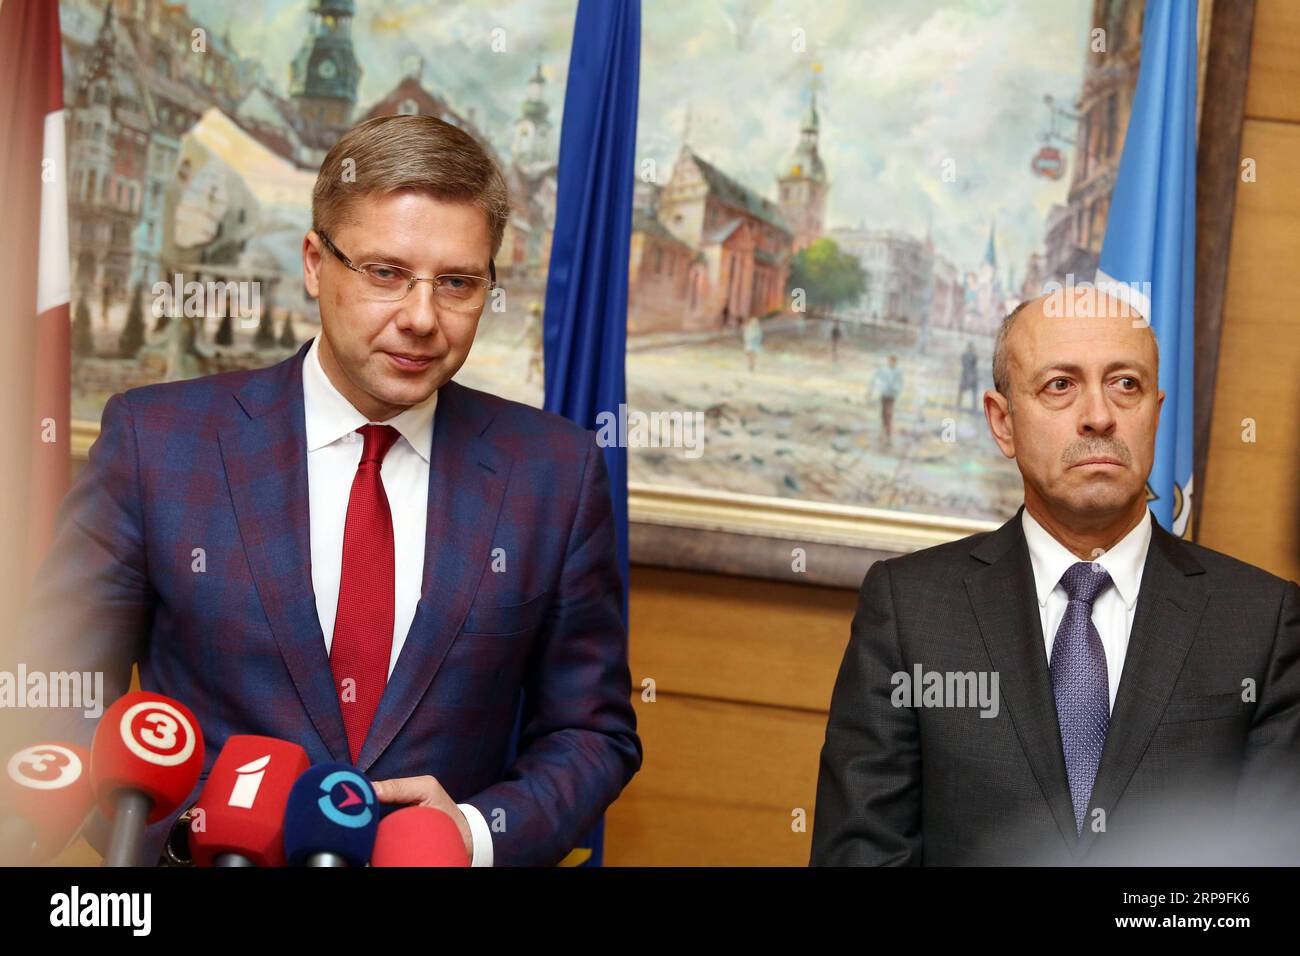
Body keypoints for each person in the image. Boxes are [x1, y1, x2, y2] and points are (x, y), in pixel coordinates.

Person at [8, 115, 642, 867]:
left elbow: (590, 732)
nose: (420, 317)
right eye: (385, 273)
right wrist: (180, 834)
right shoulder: (157, 443)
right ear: (316, 263)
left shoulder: (555, 474)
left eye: (457, 284)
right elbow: (53, 692)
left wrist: (470, 834)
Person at [812, 290, 1300, 865]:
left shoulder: (1263, 621)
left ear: (1156, 414)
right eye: (1060, 385)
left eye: (1125, 384)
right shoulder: (910, 609)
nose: (1099, 415)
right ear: (1003, 423)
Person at [869, 354, 903, 446]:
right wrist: (871, 390)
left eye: (893, 361)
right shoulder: (884, 370)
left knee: (889, 413)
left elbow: (900, 383)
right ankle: (884, 428)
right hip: (884, 394)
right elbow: (875, 378)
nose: (892, 362)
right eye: (891, 361)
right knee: (884, 413)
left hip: (891, 395)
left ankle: (888, 432)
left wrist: (896, 391)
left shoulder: (898, 371)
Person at [957, 339, 979, 411]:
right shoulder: (966, 355)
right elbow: (966, 365)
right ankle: (959, 404)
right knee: (962, 390)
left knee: (973, 391)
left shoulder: (972, 356)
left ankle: (974, 407)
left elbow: (973, 365)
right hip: (968, 375)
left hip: (970, 375)